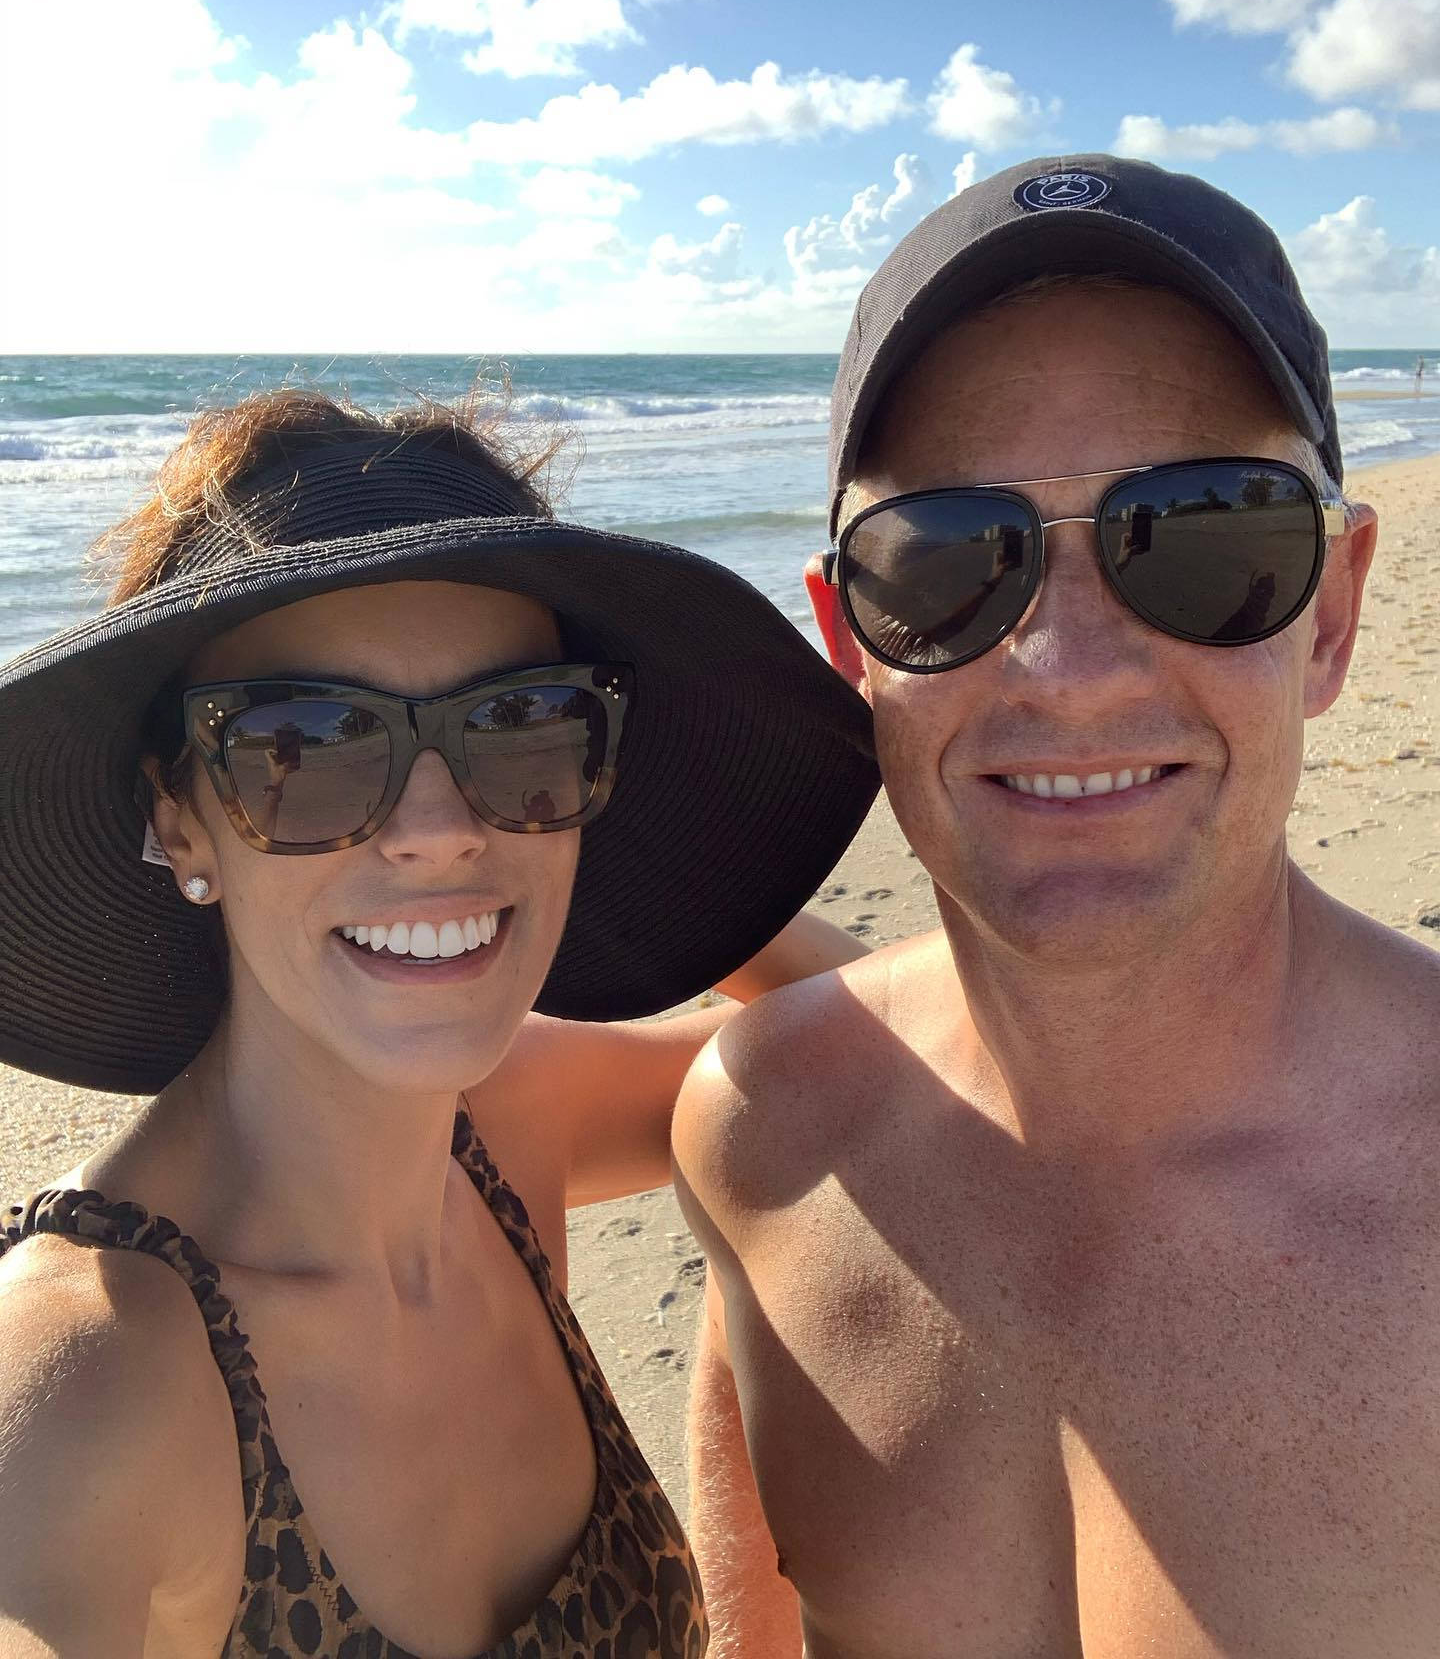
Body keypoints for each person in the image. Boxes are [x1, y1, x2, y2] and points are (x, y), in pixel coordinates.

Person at [674, 155, 1440, 1656]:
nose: (1073, 669)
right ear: (850, 638)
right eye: (951, 562)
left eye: (1211, 534)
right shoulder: (764, 1132)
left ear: (1333, 611)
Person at [0, 389, 878, 1658]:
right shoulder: (90, 1385)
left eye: (519, 726)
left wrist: (628, 870)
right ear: (179, 818)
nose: (438, 829)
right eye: (305, 745)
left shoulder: (504, 1124)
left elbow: (891, 1049)